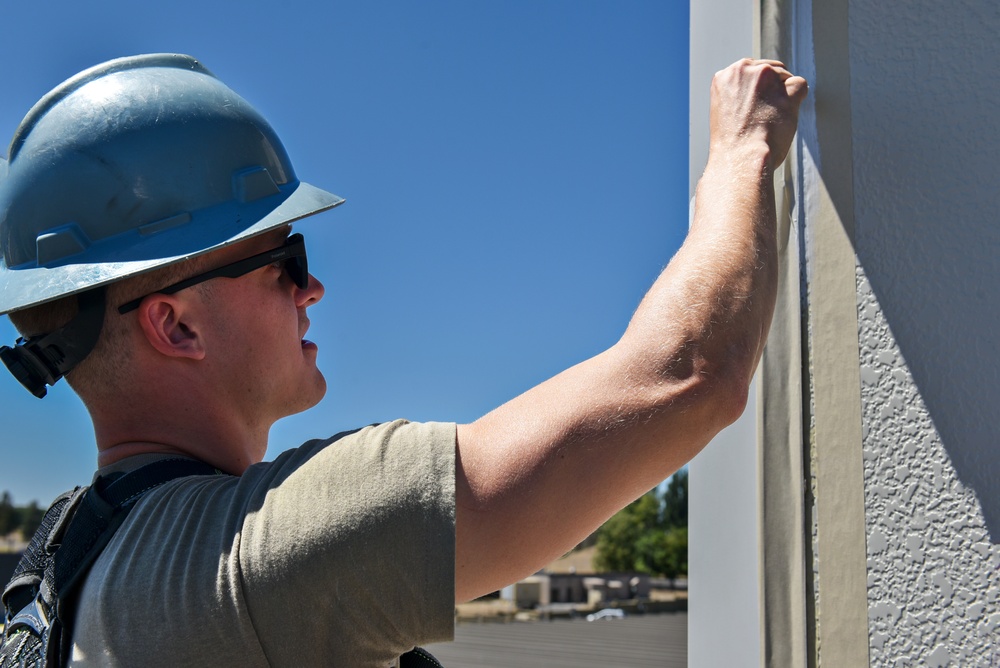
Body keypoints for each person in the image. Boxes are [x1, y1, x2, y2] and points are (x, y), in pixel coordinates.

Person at [0, 54, 806, 666]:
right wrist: (741, 157)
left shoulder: (56, 573)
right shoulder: (264, 560)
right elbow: (688, 376)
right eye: (284, 260)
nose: (311, 288)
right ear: (175, 327)